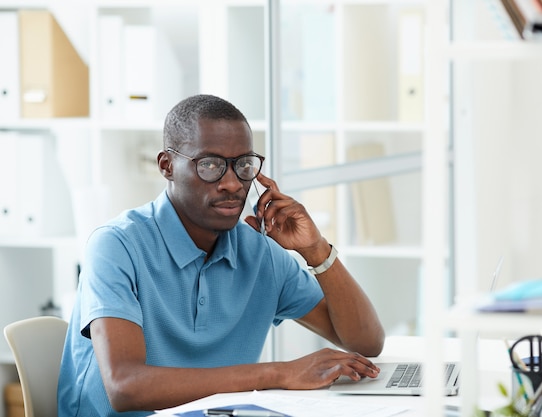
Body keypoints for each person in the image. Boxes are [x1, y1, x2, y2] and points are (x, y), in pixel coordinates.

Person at [58, 94, 385, 416]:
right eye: (210, 165)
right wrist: (278, 374)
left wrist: (316, 250)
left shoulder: (260, 253)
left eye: (243, 165)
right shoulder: (117, 246)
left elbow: (365, 342)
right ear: (167, 166)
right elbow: (126, 386)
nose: (231, 183)